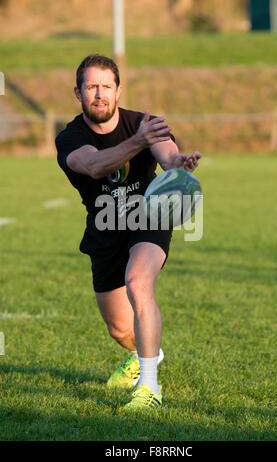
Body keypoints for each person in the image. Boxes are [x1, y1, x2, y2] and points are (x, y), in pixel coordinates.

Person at [55, 54, 201, 411]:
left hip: (149, 215)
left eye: (107, 86)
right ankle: (146, 352)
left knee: (139, 282)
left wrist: (176, 164)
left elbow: (166, 153)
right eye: (92, 87)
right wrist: (138, 142)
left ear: (118, 90)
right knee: (119, 329)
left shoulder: (144, 124)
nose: (100, 94)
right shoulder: (70, 137)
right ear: (78, 92)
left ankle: (149, 388)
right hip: (104, 226)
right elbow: (93, 164)